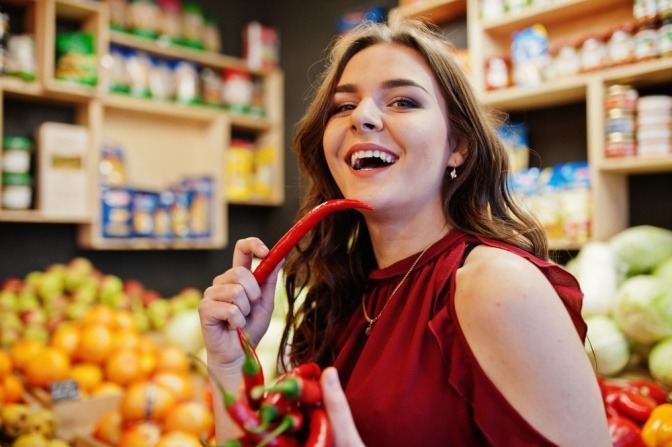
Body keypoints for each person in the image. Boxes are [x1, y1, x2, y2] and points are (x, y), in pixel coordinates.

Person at [199, 16, 611, 447]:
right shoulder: (343, 294)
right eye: (343, 106)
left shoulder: (494, 285)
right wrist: (229, 364)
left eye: (403, 102)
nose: (363, 116)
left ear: (458, 147)